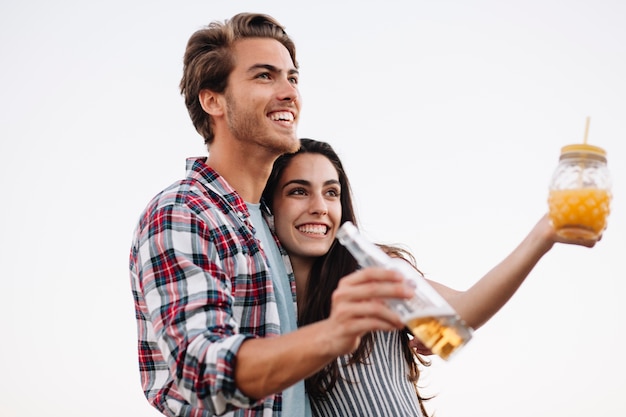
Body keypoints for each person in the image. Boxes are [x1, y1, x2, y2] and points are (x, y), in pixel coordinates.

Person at [128, 13, 413, 417]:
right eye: (265, 76)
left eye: (292, 79)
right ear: (213, 101)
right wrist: (333, 334)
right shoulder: (184, 211)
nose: (289, 93)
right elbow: (204, 372)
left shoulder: (272, 223)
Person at [261, 138, 600, 417]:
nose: (320, 206)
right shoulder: (264, 305)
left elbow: (454, 322)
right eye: (298, 191)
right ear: (269, 204)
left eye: (331, 192)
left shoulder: (370, 273)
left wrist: (542, 237)